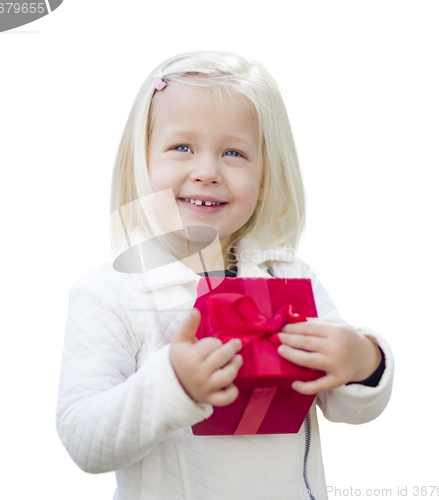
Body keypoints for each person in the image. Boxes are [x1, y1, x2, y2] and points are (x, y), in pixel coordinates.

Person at [56, 51, 394, 500]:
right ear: (140, 163)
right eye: (182, 148)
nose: (207, 172)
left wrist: (362, 364)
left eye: (234, 152)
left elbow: (346, 407)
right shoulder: (109, 294)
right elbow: (85, 441)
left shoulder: (290, 277)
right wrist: (170, 385)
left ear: (266, 177)